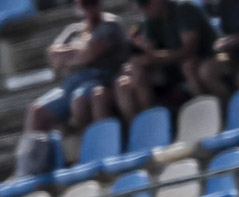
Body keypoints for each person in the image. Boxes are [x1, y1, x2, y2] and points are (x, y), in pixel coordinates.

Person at [26, 0, 127, 142]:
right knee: (36, 110)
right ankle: (34, 153)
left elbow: (89, 54)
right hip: (69, 86)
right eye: (84, 4)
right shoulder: (73, 30)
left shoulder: (110, 25)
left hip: (97, 80)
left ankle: (92, 145)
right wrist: (79, 52)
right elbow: (53, 56)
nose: (89, 8)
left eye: (92, 3)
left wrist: (67, 56)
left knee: (79, 99)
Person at [116, 0, 219, 118]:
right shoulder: (151, 20)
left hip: (204, 58)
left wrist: (154, 58)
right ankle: (150, 120)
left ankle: (207, 114)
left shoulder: (183, 9)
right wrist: (141, 52)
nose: (142, 8)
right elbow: (150, 52)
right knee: (131, 75)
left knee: (188, 66)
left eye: (145, 2)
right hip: (174, 67)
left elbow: (188, 51)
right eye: (139, 4)